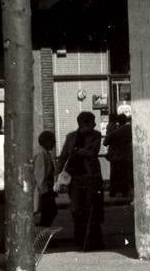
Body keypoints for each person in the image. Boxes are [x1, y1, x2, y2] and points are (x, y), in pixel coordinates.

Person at [57, 111, 104, 251]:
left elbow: (93, 152)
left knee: (92, 210)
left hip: (91, 178)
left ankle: (93, 241)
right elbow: (64, 156)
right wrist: (58, 175)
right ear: (85, 123)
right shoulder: (71, 137)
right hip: (75, 179)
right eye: (92, 121)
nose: (95, 124)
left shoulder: (96, 135)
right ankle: (80, 239)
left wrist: (78, 152)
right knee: (77, 210)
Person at [105, 106, 133, 200]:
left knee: (114, 175)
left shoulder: (116, 131)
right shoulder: (130, 130)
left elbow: (105, 142)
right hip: (127, 155)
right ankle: (125, 191)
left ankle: (113, 192)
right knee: (125, 175)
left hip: (116, 156)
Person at [32, 130, 58, 228]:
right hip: (44, 191)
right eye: (53, 141)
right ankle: (42, 235)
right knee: (50, 212)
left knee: (50, 212)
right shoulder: (41, 154)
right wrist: (44, 193)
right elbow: (40, 175)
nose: (54, 144)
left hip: (46, 189)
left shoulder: (45, 153)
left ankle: (43, 234)